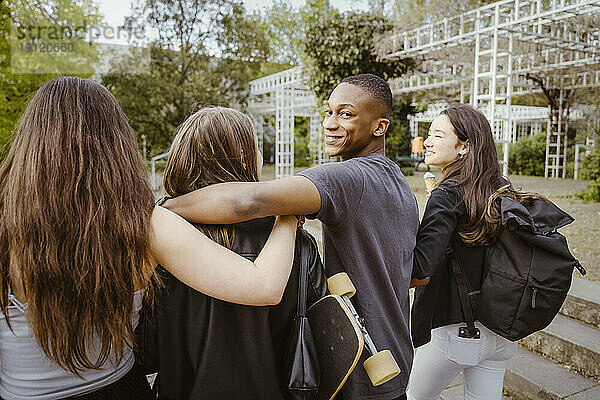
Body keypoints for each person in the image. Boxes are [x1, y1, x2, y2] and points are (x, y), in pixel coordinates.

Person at [0, 77, 298, 400]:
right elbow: (265, 285)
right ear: (117, 147)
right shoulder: (145, 225)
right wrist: (289, 215)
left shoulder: (5, 222)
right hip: (121, 390)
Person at [163, 74, 420, 400]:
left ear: (379, 127)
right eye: (328, 112)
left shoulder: (346, 178)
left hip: (357, 367)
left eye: (346, 113)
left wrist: (164, 207)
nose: (330, 123)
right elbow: (417, 273)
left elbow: (249, 201)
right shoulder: (397, 180)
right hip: (394, 354)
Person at [138, 106, 327, 399]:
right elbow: (320, 335)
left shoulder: (157, 237)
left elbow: (145, 350)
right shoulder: (293, 240)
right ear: (245, 158)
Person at [407, 103, 541, 400]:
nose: (427, 141)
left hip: (452, 333)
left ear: (464, 146)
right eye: (429, 134)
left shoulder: (446, 195)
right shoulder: (501, 189)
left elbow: (420, 270)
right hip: (499, 333)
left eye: (438, 136)